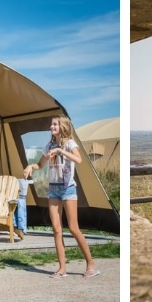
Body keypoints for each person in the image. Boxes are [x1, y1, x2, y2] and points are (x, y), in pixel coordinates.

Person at [24, 116, 99, 279]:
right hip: (53, 190)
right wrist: (31, 166)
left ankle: (91, 264)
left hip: (68, 189)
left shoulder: (70, 144)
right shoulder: (49, 145)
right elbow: (40, 165)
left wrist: (60, 151)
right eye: (51, 124)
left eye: (55, 124)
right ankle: (62, 269)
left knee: (73, 228)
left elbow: (78, 160)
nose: (52, 126)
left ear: (63, 127)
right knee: (56, 229)